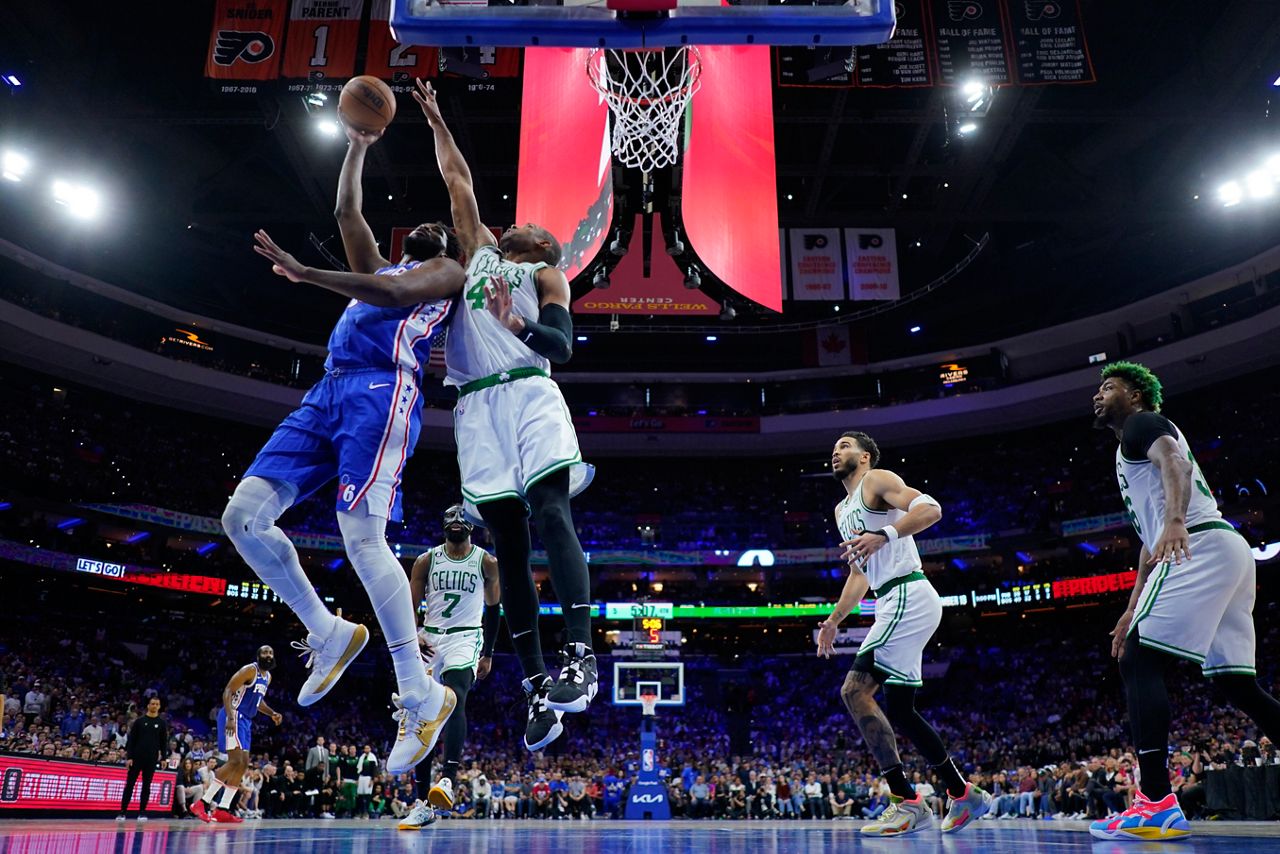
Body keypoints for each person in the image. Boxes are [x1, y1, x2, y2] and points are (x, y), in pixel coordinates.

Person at [222, 117, 465, 775]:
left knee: (361, 536)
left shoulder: (442, 273)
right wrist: (357, 148)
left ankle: (419, 691)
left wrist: (306, 273)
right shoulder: (382, 265)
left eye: (439, 228)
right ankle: (327, 631)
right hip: (328, 393)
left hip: (382, 396)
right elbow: (345, 210)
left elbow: (390, 291)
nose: (428, 227)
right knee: (241, 517)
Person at [415, 77, 596, 752]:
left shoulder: (547, 276)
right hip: (475, 408)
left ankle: (579, 655)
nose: (515, 220)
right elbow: (458, 179)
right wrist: (437, 121)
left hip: (529, 389)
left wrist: (513, 323)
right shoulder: (480, 256)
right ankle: (534, 689)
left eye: (529, 224)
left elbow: (562, 347)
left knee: (551, 513)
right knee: (511, 550)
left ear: (546, 247)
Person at [1089, 362, 1280, 841]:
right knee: (1239, 686)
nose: (1098, 395)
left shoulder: (1143, 423)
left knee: (1137, 659)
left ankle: (1154, 801)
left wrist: (1175, 520)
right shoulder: (1126, 447)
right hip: (1222, 549)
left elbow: (1175, 462)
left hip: (1197, 541)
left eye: (1108, 387)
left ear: (1135, 395)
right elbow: (1148, 538)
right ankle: (1155, 801)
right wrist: (1133, 605)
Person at [816, 431, 991, 836]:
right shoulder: (842, 510)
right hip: (892, 599)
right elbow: (859, 573)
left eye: (845, 446)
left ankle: (907, 801)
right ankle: (963, 793)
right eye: (834, 448)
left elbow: (931, 510)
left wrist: (885, 534)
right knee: (901, 711)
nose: (835, 452)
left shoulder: (876, 480)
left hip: (907, 595)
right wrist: (834, 620)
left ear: (865, 456)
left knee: (853, 691)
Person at [399, 504, 502, 830]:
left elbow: (494, 608)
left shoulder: (486, 561)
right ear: (442, 525)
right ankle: (421, 803)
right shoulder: (426, 560)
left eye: (462, 518)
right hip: (429, 638)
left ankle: (447, 779)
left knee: (455, 697)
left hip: (465, 638)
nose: (456, 522)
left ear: (472, 526)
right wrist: (412, 637)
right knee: (423, 715)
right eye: (450, 518)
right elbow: (408, 606)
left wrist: (488, 652)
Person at [192, 647, 282, 824]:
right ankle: (202, 803)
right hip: (234, 714)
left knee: (243, 764)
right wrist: (231, 717)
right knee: (234, 761)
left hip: (246, 719)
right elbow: (227, 691)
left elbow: (258, 702)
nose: (269, 656)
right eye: (265, 653)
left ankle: (223, 808)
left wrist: (272, 713)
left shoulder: (267, 677)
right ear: (258, 656)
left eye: (271, 653)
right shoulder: (249, 670)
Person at [116, 696, 168, 822]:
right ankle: (122, 812)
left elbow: (163, 742)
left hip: (151, 758)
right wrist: (129, 757)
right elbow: (132, 740)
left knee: (147, 785)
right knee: (130, 784)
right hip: (137, 757)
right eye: (152, 704)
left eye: (157, 704)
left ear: (159, 706)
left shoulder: (161, 723)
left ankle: (142, 812)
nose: (154, 706)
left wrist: (164, 758)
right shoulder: (139, 721)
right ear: (148, 706)